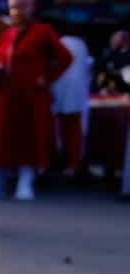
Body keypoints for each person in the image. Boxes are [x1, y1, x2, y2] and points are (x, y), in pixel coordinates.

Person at [0, 0, 73, 201]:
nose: (16, 12)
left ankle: (26, 179)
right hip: (7, 93)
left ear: (31, 8)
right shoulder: (8, 34)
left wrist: (47, 78)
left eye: (21, 7)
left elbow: (65, 57)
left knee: (30, 136)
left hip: (32, 94)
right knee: (2, 135)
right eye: (13, 7)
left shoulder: (43, 32)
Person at [52, 33, 93, 179]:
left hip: (62, 91)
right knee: (74, 131)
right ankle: (72, 164)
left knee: (66, 130)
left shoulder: (62, 43)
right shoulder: (80, 44)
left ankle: (70, 164)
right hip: (74, 93)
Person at [94, 30, 130, 94]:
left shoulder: (126, 55)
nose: (113, 41)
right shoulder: (108, 54)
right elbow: (99, 69)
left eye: (115, 39)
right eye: (113, 39)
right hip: (109, 88)